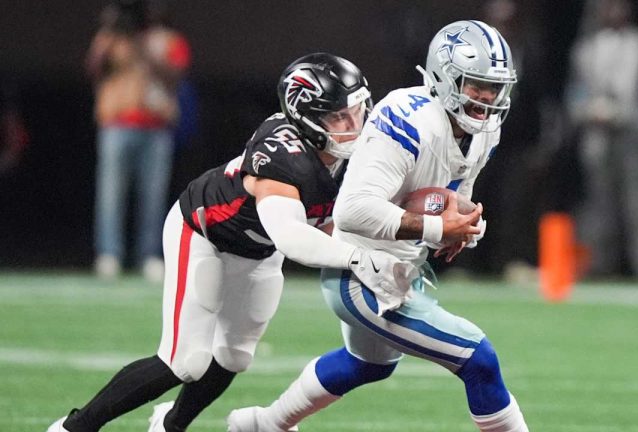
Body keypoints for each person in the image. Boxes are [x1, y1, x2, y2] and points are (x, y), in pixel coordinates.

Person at [47, 53, 417, 432]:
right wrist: (360, 258)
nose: (354, 125)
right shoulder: (283, 153)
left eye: (358, 111)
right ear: (305, 116)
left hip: (258, 248)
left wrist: (422, 228)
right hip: (204, 232)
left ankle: (170, 424)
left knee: (234, 355)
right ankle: (73, 427)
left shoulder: (358, 155)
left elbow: (340, 220)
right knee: (183, 362)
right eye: (339, 116)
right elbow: (292, 238)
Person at [228, 20, 529, 432]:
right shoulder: (408, 118)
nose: (488, 98)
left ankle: (264, 424)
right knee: (478, 359)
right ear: (445, 77)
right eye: (477, 85)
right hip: (360, 274)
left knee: (367, 364)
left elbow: (453, 194)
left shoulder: (484, 130)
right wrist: (436, 229)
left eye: (495, 87)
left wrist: (463, 224)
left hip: (402, 265)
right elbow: (352, 211)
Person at [565, 0, 638, 278]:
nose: (613, 12)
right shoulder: (586, 50)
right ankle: (598, 270)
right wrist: (589, 112)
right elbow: (574, 96)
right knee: (598, 208)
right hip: (598, 139)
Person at [87, 0, 191, 282]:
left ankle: (149, 255)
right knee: (111, 194)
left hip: (156, 127)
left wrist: (145, 49)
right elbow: (94, 69)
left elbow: (176, 75)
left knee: (153, 196)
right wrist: (110, 33)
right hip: (116, 123)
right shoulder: (111, 38)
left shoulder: (168, 40)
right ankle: (109, 254)